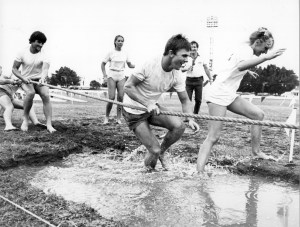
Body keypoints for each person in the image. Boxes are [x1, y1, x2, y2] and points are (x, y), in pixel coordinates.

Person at [197, 27, 286, 172]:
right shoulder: (247, 51)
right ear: (258, 42)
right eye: (264, 48)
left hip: (229, 94)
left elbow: (234, 66)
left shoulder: (245, 50)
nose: (265, 52)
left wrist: (248, 70)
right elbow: (240, 66)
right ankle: (199, 172)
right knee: (213, 137)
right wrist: (265, 58)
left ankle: (256, 152)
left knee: (258, 115)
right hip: (218, 94)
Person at [123, 34, 200, 171]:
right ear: (171, 53)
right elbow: (128, 87)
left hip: (152, 108)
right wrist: (147, 103)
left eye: (187, 57)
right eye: (183, 56)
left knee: (179, 127)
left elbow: (185, 100)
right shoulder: (149, 64)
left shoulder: (177, 74)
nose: (186, 60)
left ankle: (162, 152)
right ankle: (148, 176)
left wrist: (191, 118)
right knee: (154, 150)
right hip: (133, 111)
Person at [12, 31, 56, 133]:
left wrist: (43, 78)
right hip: (26, 80)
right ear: (32, 41)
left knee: (45, 95)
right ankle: (25, 120)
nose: (40, 45)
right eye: (38, 42)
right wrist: (22, 77)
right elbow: (14, 69)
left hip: (39, 79)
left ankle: (49, 124)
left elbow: (45, 69)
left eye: (42, 43)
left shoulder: (45, 54)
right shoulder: (22, 52)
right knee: (30, 93)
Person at [101, 35, 135, 125]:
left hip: (121, 75)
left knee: (120, 97)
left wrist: (134, 66)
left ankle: (118, 118)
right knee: (111, 98)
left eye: (122, 41)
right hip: (112, 75)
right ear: (115, 42)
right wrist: (104, 75)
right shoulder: (111, 52)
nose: (120, 42)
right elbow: (102, 64)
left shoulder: (125, 53)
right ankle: (106, 117)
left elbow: (129, 64)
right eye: (119, 41)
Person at [0, 66, 45, 131]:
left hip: (9, 96)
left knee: (28, 105)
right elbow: (1, 81)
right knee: (9, 107)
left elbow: (30, 91)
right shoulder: (11, 73)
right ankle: (8, 126)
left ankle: (36, 122)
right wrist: (10, 81)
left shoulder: (26, 79)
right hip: (1, 91)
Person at [182, 41, 213, 114]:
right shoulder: (186, 58)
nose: (193, 48)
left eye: (195, 47)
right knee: (188, 99)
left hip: (199, 80)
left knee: (198, 100)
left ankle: (195, 114)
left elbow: (206, 69)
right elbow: (181, 69)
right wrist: (187, 68)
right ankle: (188, 115)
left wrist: (210, 78)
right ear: (189, 48)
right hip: (189, 81)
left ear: (197, 48)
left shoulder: (201, 58)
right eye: (192, 47)